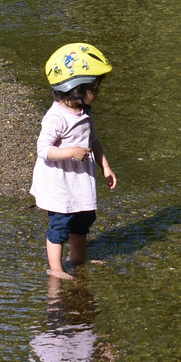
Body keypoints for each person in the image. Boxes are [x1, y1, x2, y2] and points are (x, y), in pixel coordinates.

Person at [32, 42, 118, 279]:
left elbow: (94, 140)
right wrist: (70, 151)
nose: (98, 92)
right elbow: (43, 150)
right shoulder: (56, 117)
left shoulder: (84, 112)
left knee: (84, 217)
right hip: (60, 181)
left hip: (80, 179)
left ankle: (78, 259)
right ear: (76, 88)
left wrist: (106, 167)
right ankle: (56, 270)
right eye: (95, 87)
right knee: (60, 223)